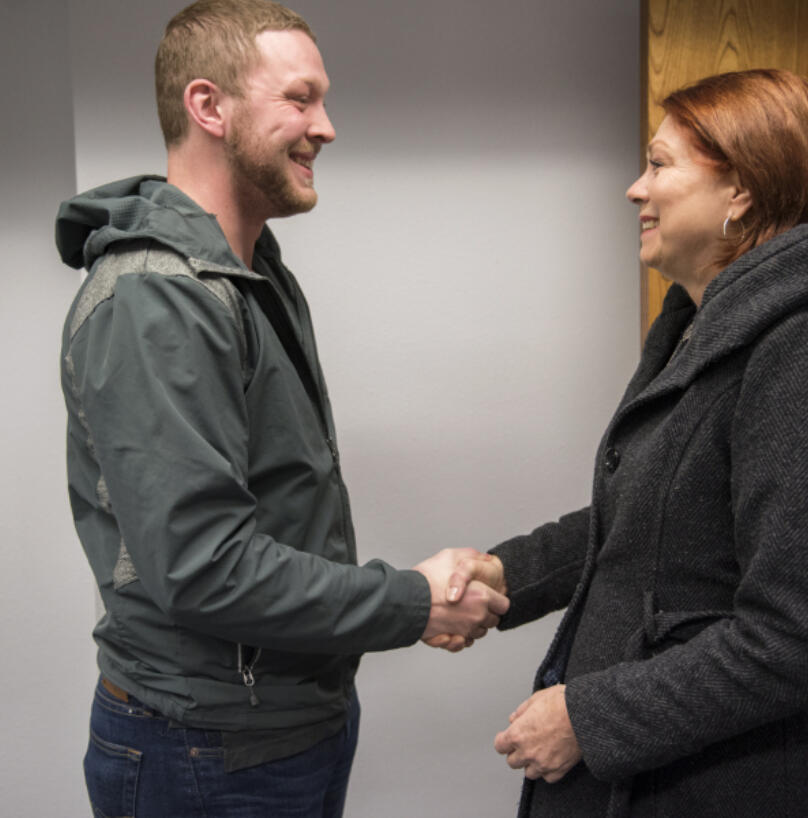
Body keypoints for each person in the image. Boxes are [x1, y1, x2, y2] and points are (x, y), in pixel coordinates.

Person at [54, 2, 506, 816]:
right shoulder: (159, 298)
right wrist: (410, 600)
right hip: (207, 749)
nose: (324, 126)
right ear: (208, 107)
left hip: (276, 728)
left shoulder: (246, 270)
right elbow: (205, 565)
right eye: (299, 99)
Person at [444, 68, 808, 817]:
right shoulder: (704, 330)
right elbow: (647, 522)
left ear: (742, 191)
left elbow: (798, 637)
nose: (636, 188)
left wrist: (589, 719)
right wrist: (503, 577)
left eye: (659, 165)